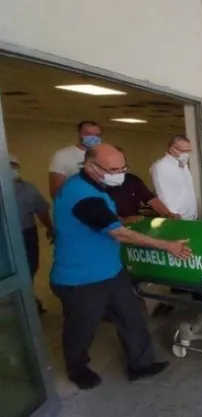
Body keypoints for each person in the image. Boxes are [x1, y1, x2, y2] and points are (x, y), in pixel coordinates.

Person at [50, 143, 192, 390]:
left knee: (131, 317)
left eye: (123, 168)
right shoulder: (81, 194)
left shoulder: (96, 187)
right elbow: (119, 233)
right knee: (81, 329)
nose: (119, 174)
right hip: (81, 278)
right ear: (91, 166)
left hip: (111, 270)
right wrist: (167, 245)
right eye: (113, 170)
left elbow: (107, 219)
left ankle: (141, 365)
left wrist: (123, 219)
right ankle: (77, 369)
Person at [10, 154, 54, 314]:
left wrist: (49, 227)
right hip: (4, 236)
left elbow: (41, 210)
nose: (11, 169)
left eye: (13, 166)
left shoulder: (27, 188)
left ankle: (26, 299)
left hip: (26, 234)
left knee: (29, 267)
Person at [106, 147, 180, 224]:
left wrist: (168, 214)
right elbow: (100, 212)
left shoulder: (132, 179)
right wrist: (123, 221)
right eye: (114, 169)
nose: (120, 172)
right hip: (110, 226)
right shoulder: (100, 184)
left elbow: (151, 199)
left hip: (135, 223)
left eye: (123, 168)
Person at [48, 121, 103, 199]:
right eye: (88, 134)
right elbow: (56, 190)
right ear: (79, 134)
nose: (93, 137)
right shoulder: (62, 155)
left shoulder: (106, 155)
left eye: (97, 135)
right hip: (72, 201)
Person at [150, 135, 198, 220]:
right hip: (177, 217)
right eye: (183, 151)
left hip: (191, 215)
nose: (186, 154)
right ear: (171, 149)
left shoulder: (183, 165)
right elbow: (162, 193)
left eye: (188, 151)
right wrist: (171, 214)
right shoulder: (161, 166)